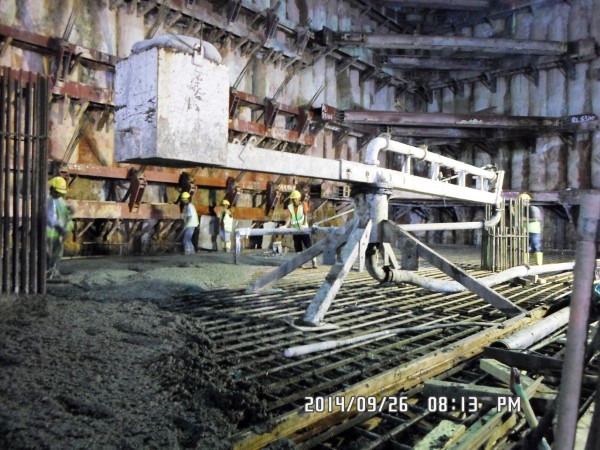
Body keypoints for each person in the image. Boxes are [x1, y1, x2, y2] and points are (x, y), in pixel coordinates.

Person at [46, 176, 74, 279]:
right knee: (49, 253)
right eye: (57, 193)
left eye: (60, 193)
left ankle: (53, 272)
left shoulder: (57, 198)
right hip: (49, 233)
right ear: (52, 189)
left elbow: (63, 206)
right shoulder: (48, 200)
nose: (59, 195)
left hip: (55, 233)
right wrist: (59, 228)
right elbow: (49, 216)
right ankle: (48, 273)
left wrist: (69, 207)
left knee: (57, 253)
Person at [283, 190, 317, 268]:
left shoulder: (303, 204)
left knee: (308, 245)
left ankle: (314, 261)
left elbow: (306, 215)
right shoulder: (290, 207)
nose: (294, 200)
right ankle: (300, 262)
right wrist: (285, 226)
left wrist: (304, 224)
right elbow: (289, 217)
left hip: (303, 229)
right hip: (295, 230)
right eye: (293, 199)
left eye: (295, 199)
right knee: (298, 246)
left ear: (299, 198)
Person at [520, 193, 543, 265]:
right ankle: (525, 263)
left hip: (534, 231)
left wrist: (525, 219)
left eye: (523, 201)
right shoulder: (522, 209)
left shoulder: (533, 208)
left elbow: (537, 219)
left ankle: (539, 264)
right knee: (526, 247)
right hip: (525, 231)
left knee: (536, 247)